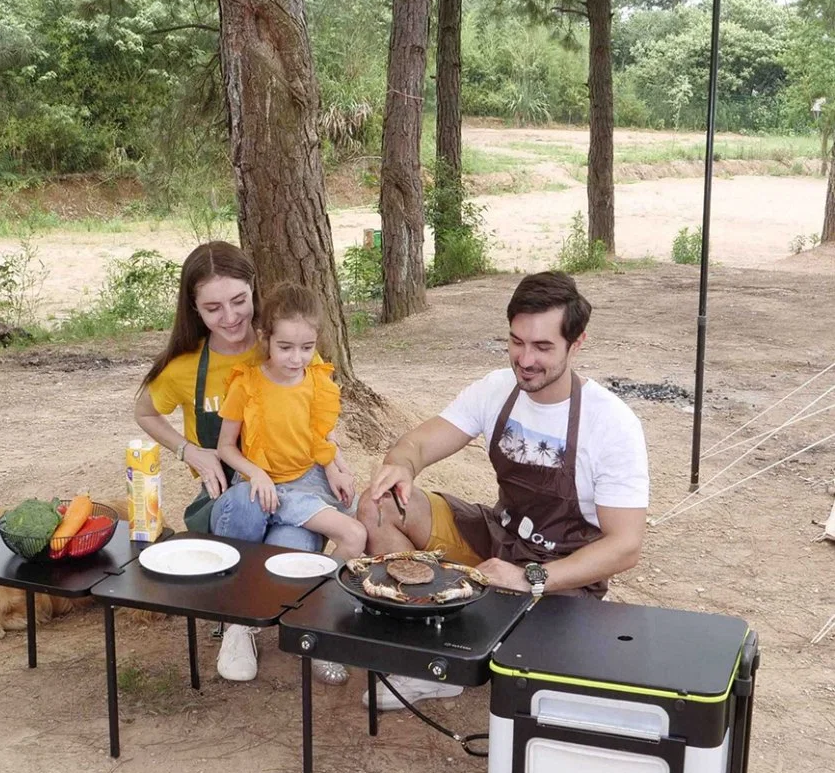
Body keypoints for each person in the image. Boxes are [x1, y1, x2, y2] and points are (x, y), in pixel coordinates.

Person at [359, 270, 649, 710]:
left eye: (543, 347)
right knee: (380, 506)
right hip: (499, 538)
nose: (525, 359)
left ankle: (498, 633)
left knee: (533, 680)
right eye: (517, 341)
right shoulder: (497, 389)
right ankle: (433, 664)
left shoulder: (610, 423)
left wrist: (530, 578)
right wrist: (400, 465)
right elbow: (417, 443)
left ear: (577, 343)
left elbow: (626, 546)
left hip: (560, 571)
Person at [135, 241, 348, 684]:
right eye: (213, 308)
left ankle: (309, 627)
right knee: (249, 505)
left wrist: (335, 464)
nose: (230, 317)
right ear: (194, 309)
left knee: (293, 544)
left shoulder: (286, 343)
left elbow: (318, 419)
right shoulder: (184, 366)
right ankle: (238, 623)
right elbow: (144, 412)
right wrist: (189, 450)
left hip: (293, 486)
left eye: (238, 301)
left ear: (255, 290)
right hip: (233, 501)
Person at [214, 282, 366, 633]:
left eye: (306, 348)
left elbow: (317, 435)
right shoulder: (247, 384)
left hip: (308, 481)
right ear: (264, 337)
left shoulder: (315, 381)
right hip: (268, 487)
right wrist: (257, 474)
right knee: (353, 535)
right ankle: (326, 609)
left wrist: (333, 465)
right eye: (285, 347)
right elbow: (226, 447)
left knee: (365, 523)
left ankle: (319, 607)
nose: (296, 358)